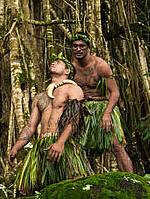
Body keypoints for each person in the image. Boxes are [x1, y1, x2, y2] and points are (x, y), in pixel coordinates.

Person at [7, 55, 91, 193]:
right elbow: (30, 126)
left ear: (67, 71)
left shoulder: (73, 89)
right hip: (42, 146)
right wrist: (16, 147)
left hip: (63, 143)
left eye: (58, 62)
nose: (53, 62)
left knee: (74, 184)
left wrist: (61, 143)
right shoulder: (40, 97)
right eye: (53, 61)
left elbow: (74, 119)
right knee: (27, 189)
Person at [70, 32, 133, 172]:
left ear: (88, 48)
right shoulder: (70, 68)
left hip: (102, 107)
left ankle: (132, 180)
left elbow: (115, 92)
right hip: (83, 109)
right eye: (75, 46)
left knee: (116, 146)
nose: (78, 49)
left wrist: (107, 113)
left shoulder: (100, 66)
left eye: (82, 46)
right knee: (78, 146)